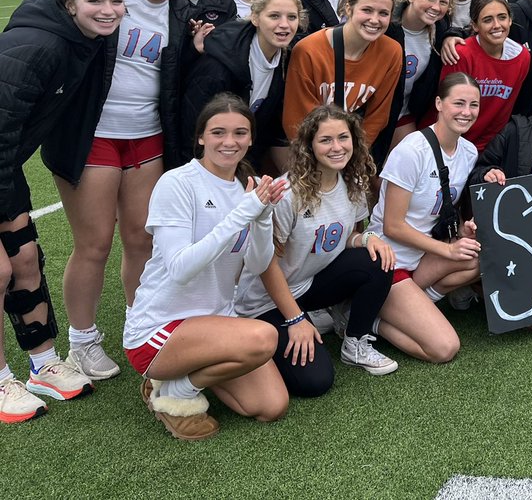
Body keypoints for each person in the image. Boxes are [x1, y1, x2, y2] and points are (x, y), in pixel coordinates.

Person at [55, 0, 198, 381]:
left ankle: (142, 327)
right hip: (94, 135)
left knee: (143, 239)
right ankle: (82, 341)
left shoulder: (182, 13)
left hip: (148, 137)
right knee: (94, 244)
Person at [122, 94, 289, 440]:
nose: (230, 142)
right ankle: (172, 390)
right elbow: (181, 268)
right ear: (200, 137)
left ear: (251, 139)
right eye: (218, 132)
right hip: (158, 331)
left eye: (240, 133)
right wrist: (244, 211)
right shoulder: (178, 183)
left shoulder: (248, 188)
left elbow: (257, 263)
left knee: (271, 406)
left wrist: (263, 215)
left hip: (215, 324)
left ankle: (181, 381)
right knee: (263, 337)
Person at [0, 0, 124, 421]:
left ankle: (42, 365)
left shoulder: (85, 42)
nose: (108, 11)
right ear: (70, 3)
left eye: (116, 1)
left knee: (27, 260)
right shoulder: (38, 46)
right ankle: (0, 382)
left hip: (6, 165)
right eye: (95, 1)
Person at [236, 107, 397, 396]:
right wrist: (295, 319)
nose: (336, 147)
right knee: (315, 382)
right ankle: (271, 332)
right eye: (326, 140)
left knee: (376, 259)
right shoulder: (287, 193)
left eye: (343, 138)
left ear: (354, 141)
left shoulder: (354, 182)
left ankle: (356, 343)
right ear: (309, 146)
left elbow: (348, 235)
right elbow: (266, 265)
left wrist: (368, 238)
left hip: (309, 284)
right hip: (267, 298)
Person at [373, 74, 482, 363]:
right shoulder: (411, 149)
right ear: (439, 104)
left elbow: (446, 208)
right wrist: (448, 249)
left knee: (475, 258)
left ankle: (415, 304)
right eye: (458, 103)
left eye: (474, 104)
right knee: (444, 348)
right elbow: (392, 225)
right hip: (389, 260)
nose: (466, 112)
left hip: (423, 257)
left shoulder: (468, 151)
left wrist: (462, 233)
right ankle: (367, 319)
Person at [180, 0, 302, 175]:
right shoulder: (219, 63)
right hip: (202, 164)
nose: (285, 25)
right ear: (255, 18)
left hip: (242, 161)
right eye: (274, 16)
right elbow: (192, 126)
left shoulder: (288, 60)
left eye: (292, 17)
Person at [283, 0, 403, 154]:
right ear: (349, 8)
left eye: (383, 13)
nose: (375, 20)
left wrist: (353, 155)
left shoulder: (392, 52)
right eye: (367, 10)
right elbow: (296, 117)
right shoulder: (308, 50)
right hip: (309, 148)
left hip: (350, 149)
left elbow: (377, 116)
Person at [441, 0, 531, 151]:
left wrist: (490, 150)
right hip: (451, 142)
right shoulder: (461, 54)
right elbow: (446, 108)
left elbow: (504, 112)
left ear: (510, 20)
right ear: (475, 25)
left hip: (489, 147)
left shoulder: (522, 57)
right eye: (487, 20)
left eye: (502, 17)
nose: (497, 25)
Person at [389, 0, 453, 143]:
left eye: (443, 2)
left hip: (405, 114)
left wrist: (452, 36)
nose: (436, 7)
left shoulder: (439, 31)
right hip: (375, 112)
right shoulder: (387, 27)